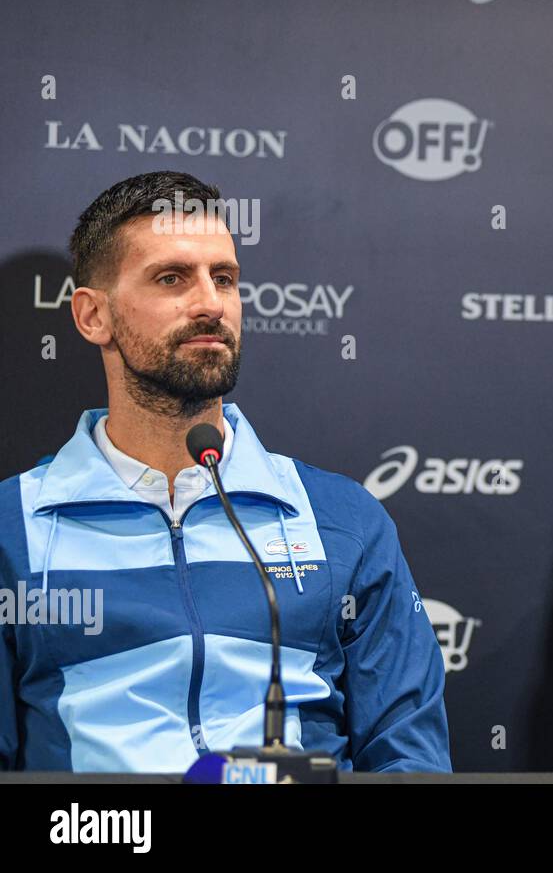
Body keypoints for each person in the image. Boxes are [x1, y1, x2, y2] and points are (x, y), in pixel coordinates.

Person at [0, 171, 451, 772]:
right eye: (171, 278)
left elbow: (408, 755)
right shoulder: (12, 528)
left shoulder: (343, 520)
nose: (211, 303)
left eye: (224, 279)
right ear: (92, 317)